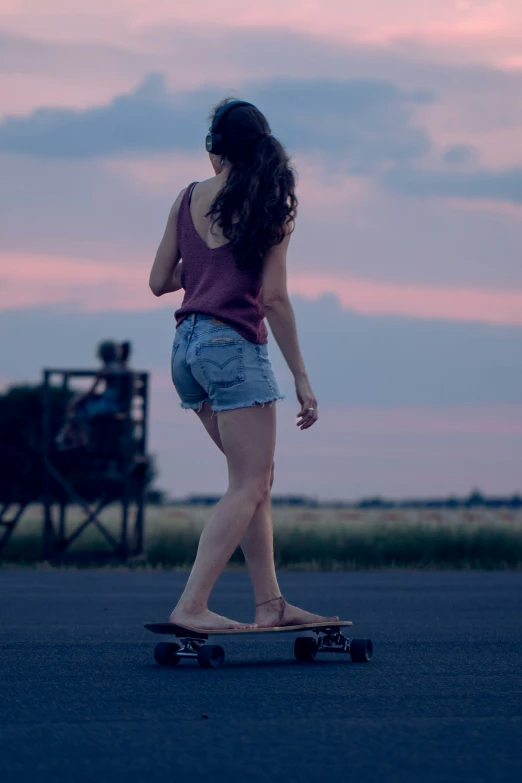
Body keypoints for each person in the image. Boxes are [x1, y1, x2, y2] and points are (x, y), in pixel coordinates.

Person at [149, 98, 338, 631]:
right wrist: (301, 376)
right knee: (249, 483)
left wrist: (206, 262)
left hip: (186, 350)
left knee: (255, 479)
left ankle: (270, 604)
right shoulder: (271, 203)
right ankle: (191, 605)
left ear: (217, 152)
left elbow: (160, 281)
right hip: (232, 347)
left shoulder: (187, 198)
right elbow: (273, 298)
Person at [56, 340, 130, 449]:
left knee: (78, 410)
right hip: (118, 404)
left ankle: (74, 440)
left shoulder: (108, 368)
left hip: (111, 406)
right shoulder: (122, 366)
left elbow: (91, 390)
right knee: (77, 408)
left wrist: (78, 400)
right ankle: (69, 437)